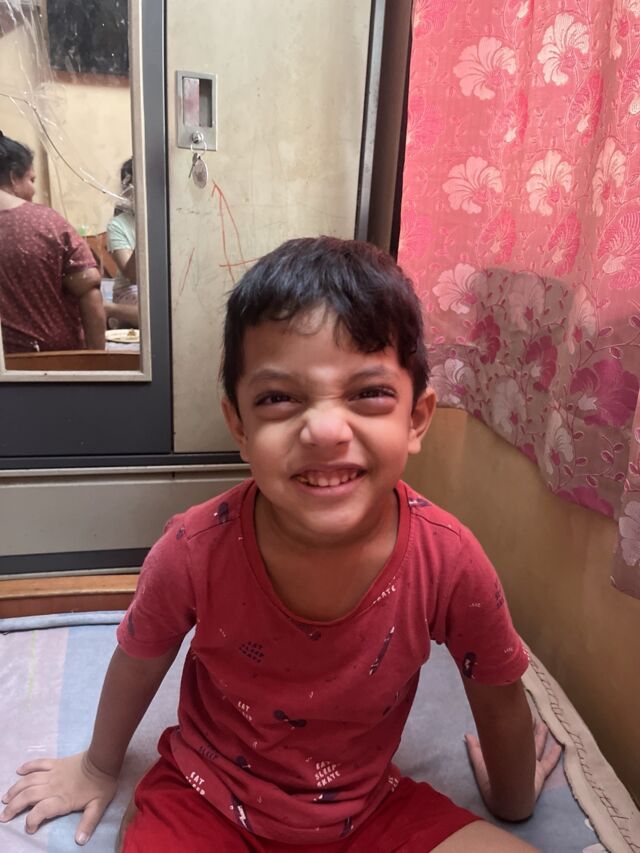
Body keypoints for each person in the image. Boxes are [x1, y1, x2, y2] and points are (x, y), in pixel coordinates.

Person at [0, 237, 561, 851]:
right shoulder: (193, 549)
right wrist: (96, 767)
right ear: (239, 425)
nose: (324, 429)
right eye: (278, 398)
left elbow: (498, 693)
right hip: (207, 799)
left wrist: (513, 797)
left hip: (370, 810)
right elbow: (139, 659)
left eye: (368, 393)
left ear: (416, 418)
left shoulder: (450, 560)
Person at [0, 131, 105, 353]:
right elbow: (89, 289)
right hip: (53, 362)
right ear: (13, 177)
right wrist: (97, 359)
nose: (33, 190)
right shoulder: (47, 223)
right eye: (31, 180)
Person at [104, 157, 139, 329]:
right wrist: (146, 230)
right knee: (155, 311)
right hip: (130, 289)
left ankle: (119, 313)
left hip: (164, 286)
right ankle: (113, 310)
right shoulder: (118, 225)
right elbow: (132, 276)